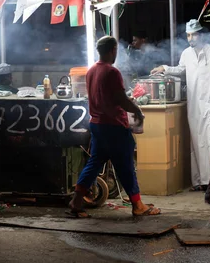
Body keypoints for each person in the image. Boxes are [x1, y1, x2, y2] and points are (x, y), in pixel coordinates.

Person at [68, 36, 161, 218]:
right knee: (126, 166)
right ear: (113, 51)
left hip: (97, 125)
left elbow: (108, 97)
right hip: (114, 127)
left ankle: (76, 201)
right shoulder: (112, 72)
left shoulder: (92, 70)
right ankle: (138, 205)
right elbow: (121, 100)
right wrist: (137, 111)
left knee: (94, 164)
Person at [151, 19, 210, 192]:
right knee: (196, 142)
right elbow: (181, 69)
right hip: (194, 105)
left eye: (193, 35)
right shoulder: (187, 53)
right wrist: (164, 67)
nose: (190, 38)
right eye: (188, 35)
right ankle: (199, 182)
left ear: (201, 34)